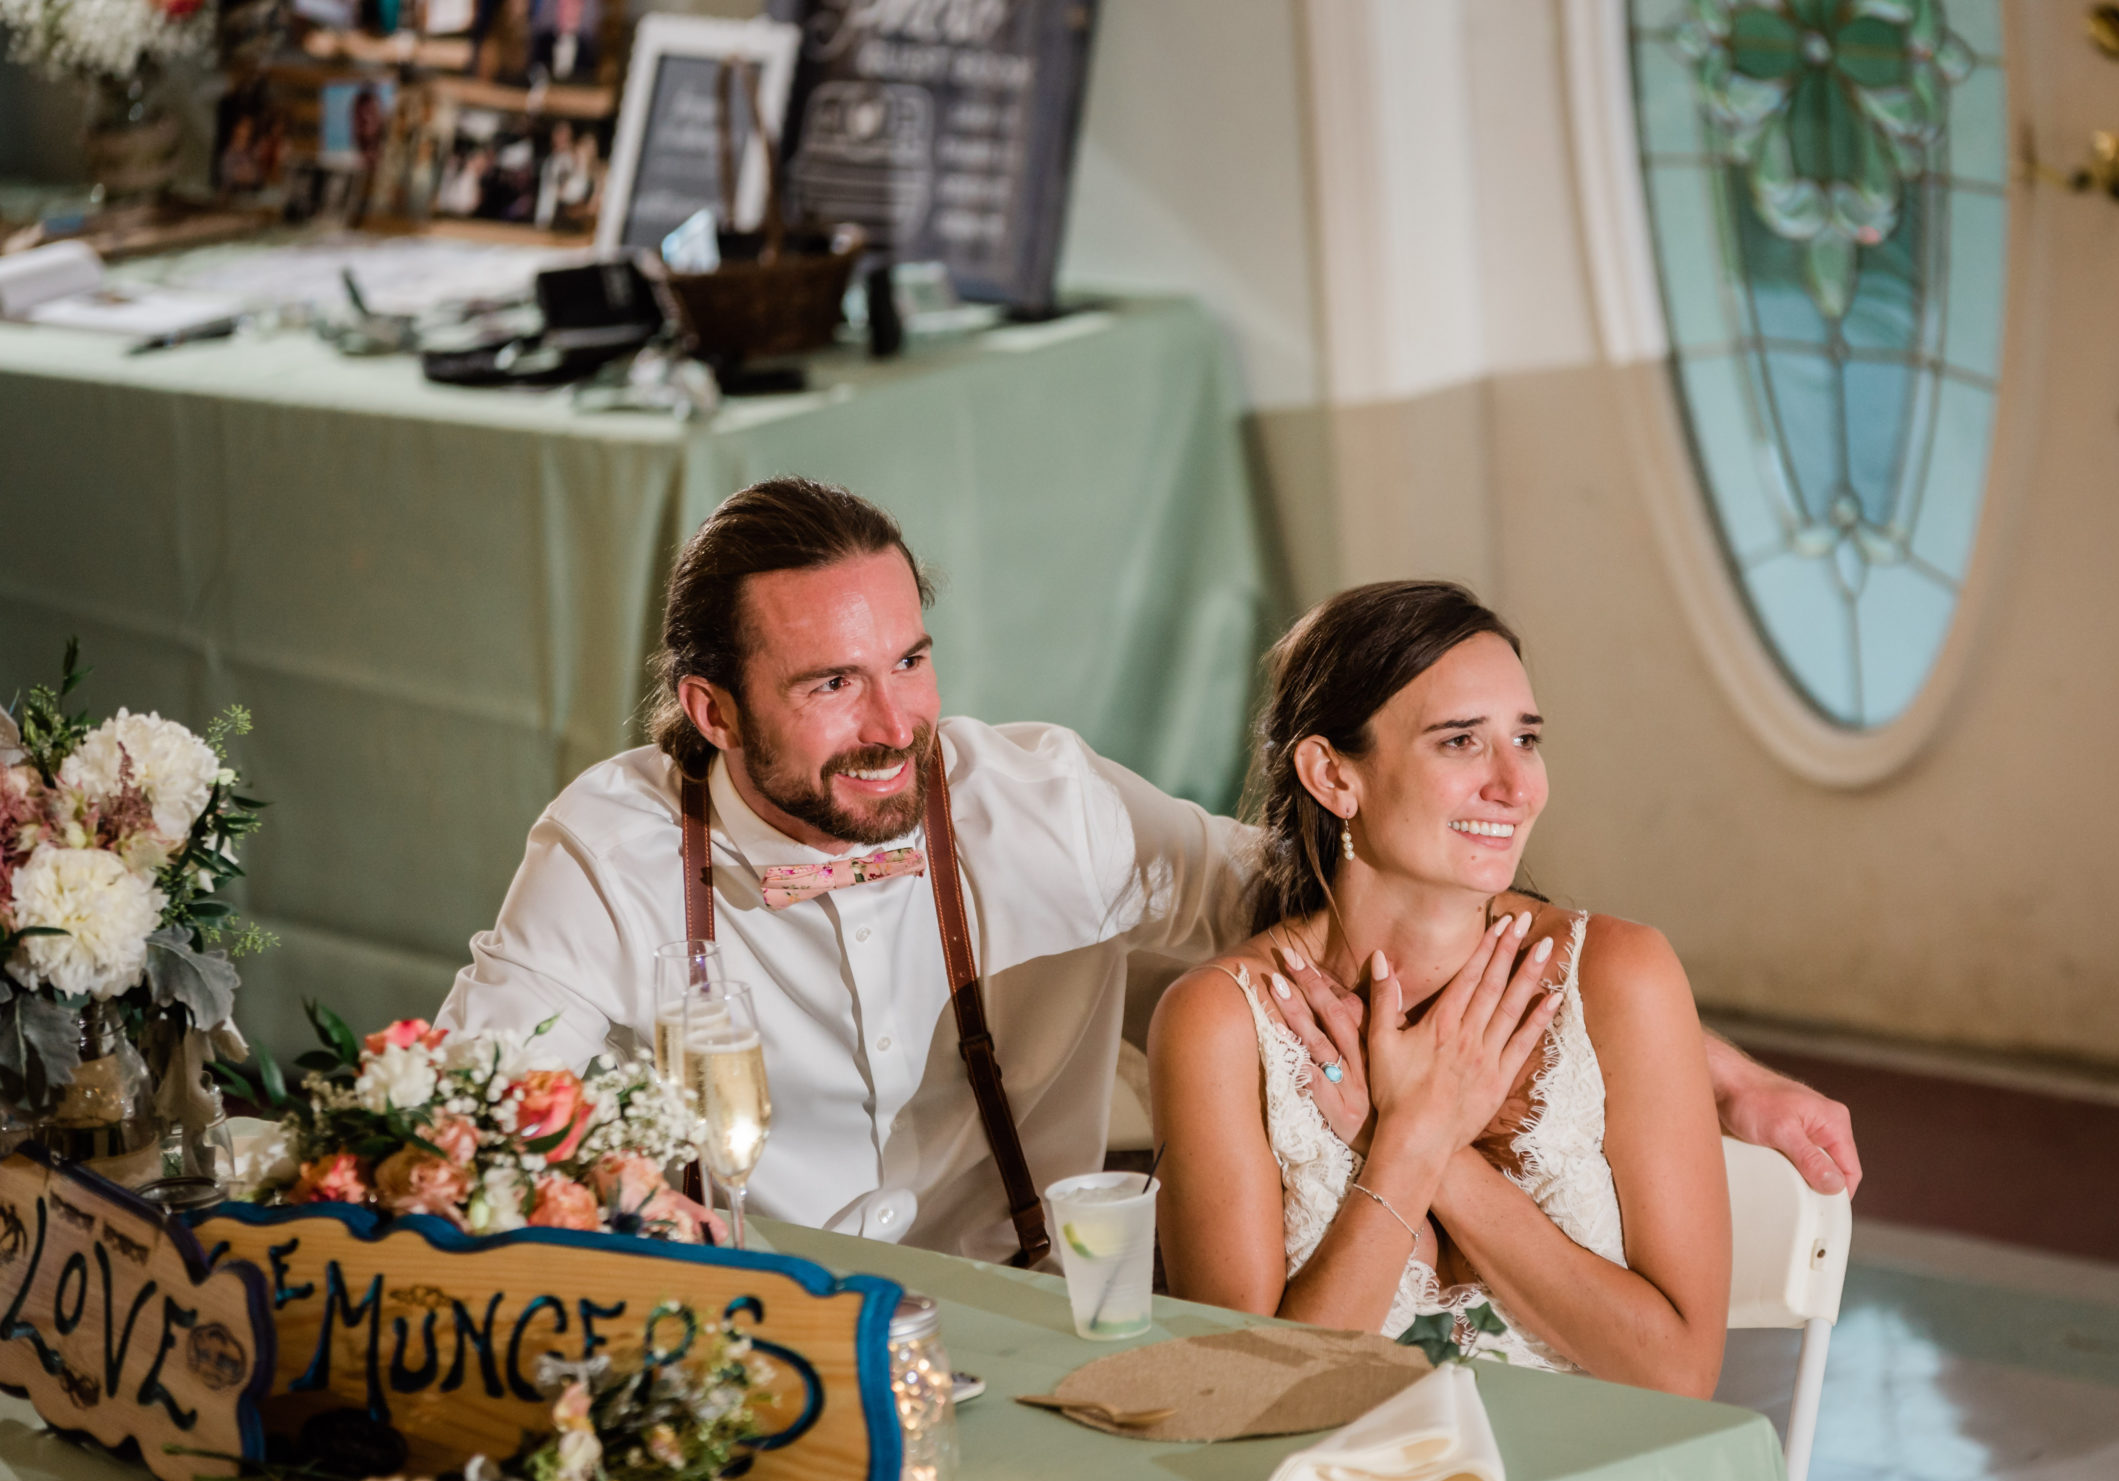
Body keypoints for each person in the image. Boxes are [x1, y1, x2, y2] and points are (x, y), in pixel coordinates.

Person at [441, 478, 1858, 1266]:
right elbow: (469, 1101)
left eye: (913, 663)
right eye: (830, 686)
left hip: (1028, 1326)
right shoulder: (612, 851)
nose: (895, 726)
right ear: (711, 710)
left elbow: (1377, 900)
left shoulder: (1041, 803)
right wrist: (617, 1178)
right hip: (746, 1330)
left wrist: (1720, 1070)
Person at [1151, 582, 1760, 1398]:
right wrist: (1408, 1150)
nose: (1515, 784)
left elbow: (1680, 1372)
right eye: (1461, 742)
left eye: (1527, 738)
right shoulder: (1219, 1023)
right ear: (1333, 776)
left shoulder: (1622, 978)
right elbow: (1253, 1398)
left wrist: (1417, 1135)